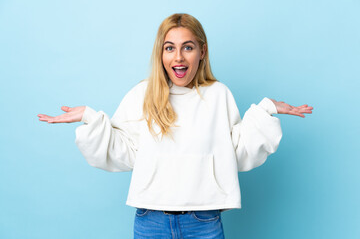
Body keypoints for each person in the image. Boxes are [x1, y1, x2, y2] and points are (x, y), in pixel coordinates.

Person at [38, 13, 313, 239]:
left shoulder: (218, 95)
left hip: (203, 221)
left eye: (188, 47)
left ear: (202, 52)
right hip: (150, 221)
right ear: (161, 54)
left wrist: (266, 110)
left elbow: (235, 152)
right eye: (170, 48)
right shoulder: (143, 95)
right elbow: (125, 150)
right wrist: (90, 117)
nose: (178, 57)